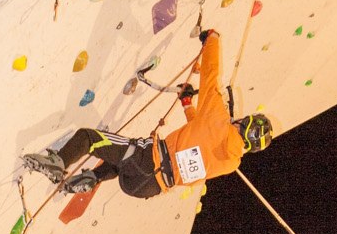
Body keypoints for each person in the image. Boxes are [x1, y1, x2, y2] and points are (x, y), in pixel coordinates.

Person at [21, 30, 273, 200]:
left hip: (147, 160)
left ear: (244, 122)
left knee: (90, 138)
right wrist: (187, 104)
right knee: (122, 159)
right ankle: (94, 177)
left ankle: (58, 164)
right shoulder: (230, 163)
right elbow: (198, 138)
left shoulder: (218, 119)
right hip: (148, 187)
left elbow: (210, 76)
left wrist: (212, 38)